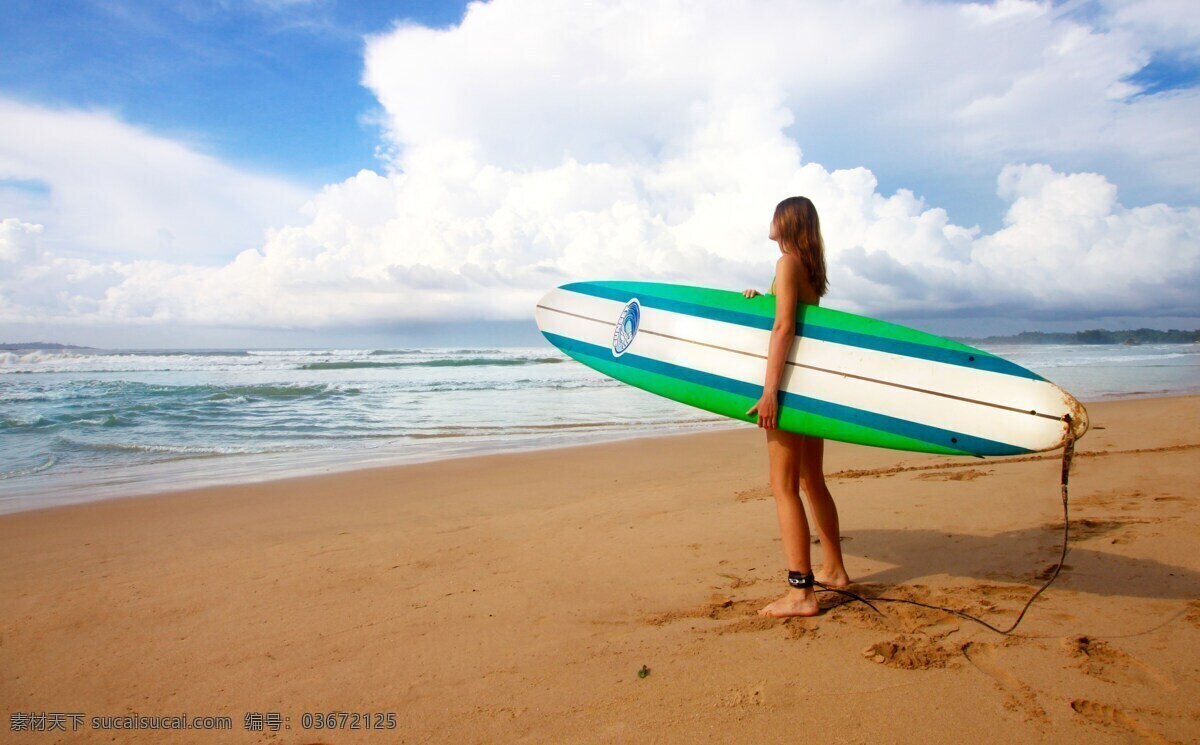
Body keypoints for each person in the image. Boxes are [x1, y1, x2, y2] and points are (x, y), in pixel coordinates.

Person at [743, 196, 850, 618]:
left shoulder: (786, 263)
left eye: (774, 215)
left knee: (784, 487)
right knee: (812, 481)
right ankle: (835, 570)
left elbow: (785, 327)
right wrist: (758, 300)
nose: (768, 221)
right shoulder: (807, 269)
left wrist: (770, 392)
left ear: (786, 222)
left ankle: (801, 593)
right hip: (811, 389)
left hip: (787, 388)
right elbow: (789, 316)